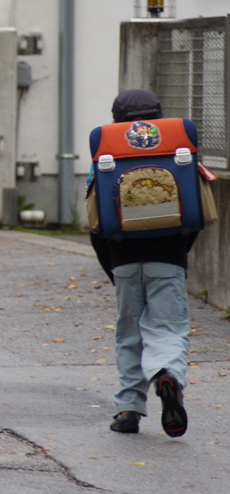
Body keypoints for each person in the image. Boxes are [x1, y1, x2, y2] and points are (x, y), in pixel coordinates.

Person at [91, 89, 191, 437]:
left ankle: (129, 409)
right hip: (169, 256)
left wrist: (113, 268)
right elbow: (196, 213)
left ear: (117, 120)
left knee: (129, 335)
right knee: (168, 327)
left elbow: (96, 222)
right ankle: (168, 375)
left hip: (123, 258)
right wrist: (179, 251)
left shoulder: (106, 152)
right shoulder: (177, 148)